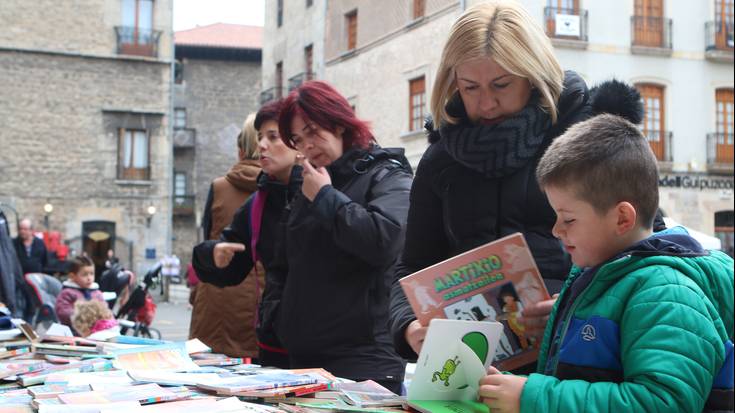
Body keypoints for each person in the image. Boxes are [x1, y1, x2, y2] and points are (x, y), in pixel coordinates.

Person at [388, 0, 645, 362]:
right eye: (469, 87)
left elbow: (643, 247)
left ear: (533, 73)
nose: (487, 103)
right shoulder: (440, 158)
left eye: (501, 84)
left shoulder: (590, 137)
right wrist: (409, 325)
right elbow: (412, 265)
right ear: (452, 83)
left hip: (578, 358)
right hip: (469, 367)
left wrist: (570, 306)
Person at [478, 114, 734, 413]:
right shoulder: (600, 278)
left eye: (569, 219)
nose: (556, 230)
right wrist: (507, 389)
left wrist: (534, 397)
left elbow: (661, 403)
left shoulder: (667, 293)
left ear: (622, 218)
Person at [272, 80, 412, 394]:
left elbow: (384, 240)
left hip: (365, 361)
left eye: (311, 131)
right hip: (305, 358)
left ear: (338, 123)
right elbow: (284, 264)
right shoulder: (309, 184)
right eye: (297, 139)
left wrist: (324, 197)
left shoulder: (387, 174)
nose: (306, 146)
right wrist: (277, 320)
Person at [193, 99, 301, 368]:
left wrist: (209, 253)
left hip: (227, 309)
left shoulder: (317, 189)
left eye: (273, 136)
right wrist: (211, 254)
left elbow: (211, 238)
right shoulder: (262, 197)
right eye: (261, 137)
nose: (264, 144)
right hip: (263, 314)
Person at [189, 113, 264, 360]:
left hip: (217, 298)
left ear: (240, 150)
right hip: (262, 299)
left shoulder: (220, 188)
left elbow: (206, 241)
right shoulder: (286, 187)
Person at [55, 255, 105, 327]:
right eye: (85, 275)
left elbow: (104, 309)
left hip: (96, 330)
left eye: (92, 274)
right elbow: (62, 312)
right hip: (74, 331)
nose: (89, 278)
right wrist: (82, 316)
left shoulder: (97, 293)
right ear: (72, 276)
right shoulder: (67, 293)